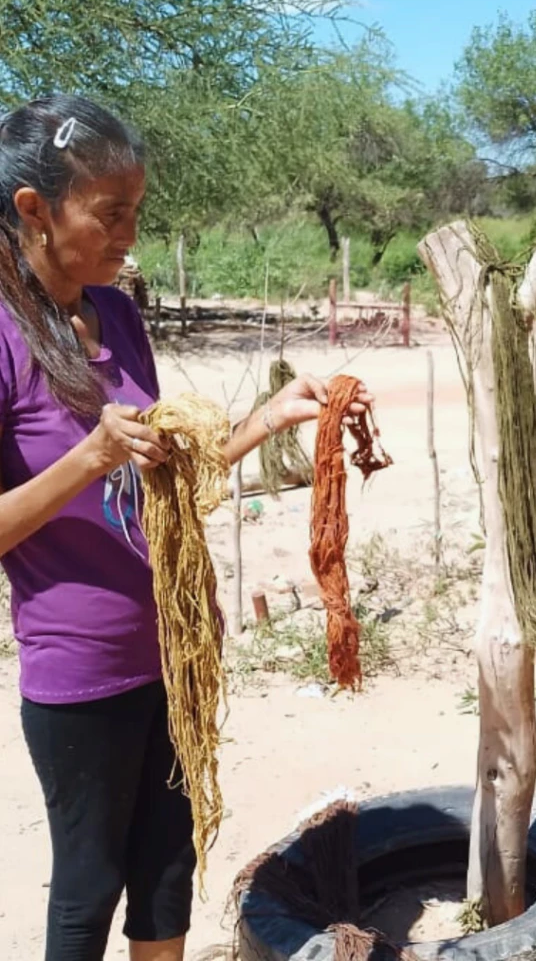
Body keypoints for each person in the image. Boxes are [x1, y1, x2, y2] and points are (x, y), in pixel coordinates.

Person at [0, 95, 372, 961]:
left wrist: (270, 418)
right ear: (34, 210)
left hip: (173, 651)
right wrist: (87, 459)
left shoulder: (118, 315)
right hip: (80, 671)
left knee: (167, 883)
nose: (130, 232)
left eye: (137, 210)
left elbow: (167, 481)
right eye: (111, 212)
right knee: (87, 892)